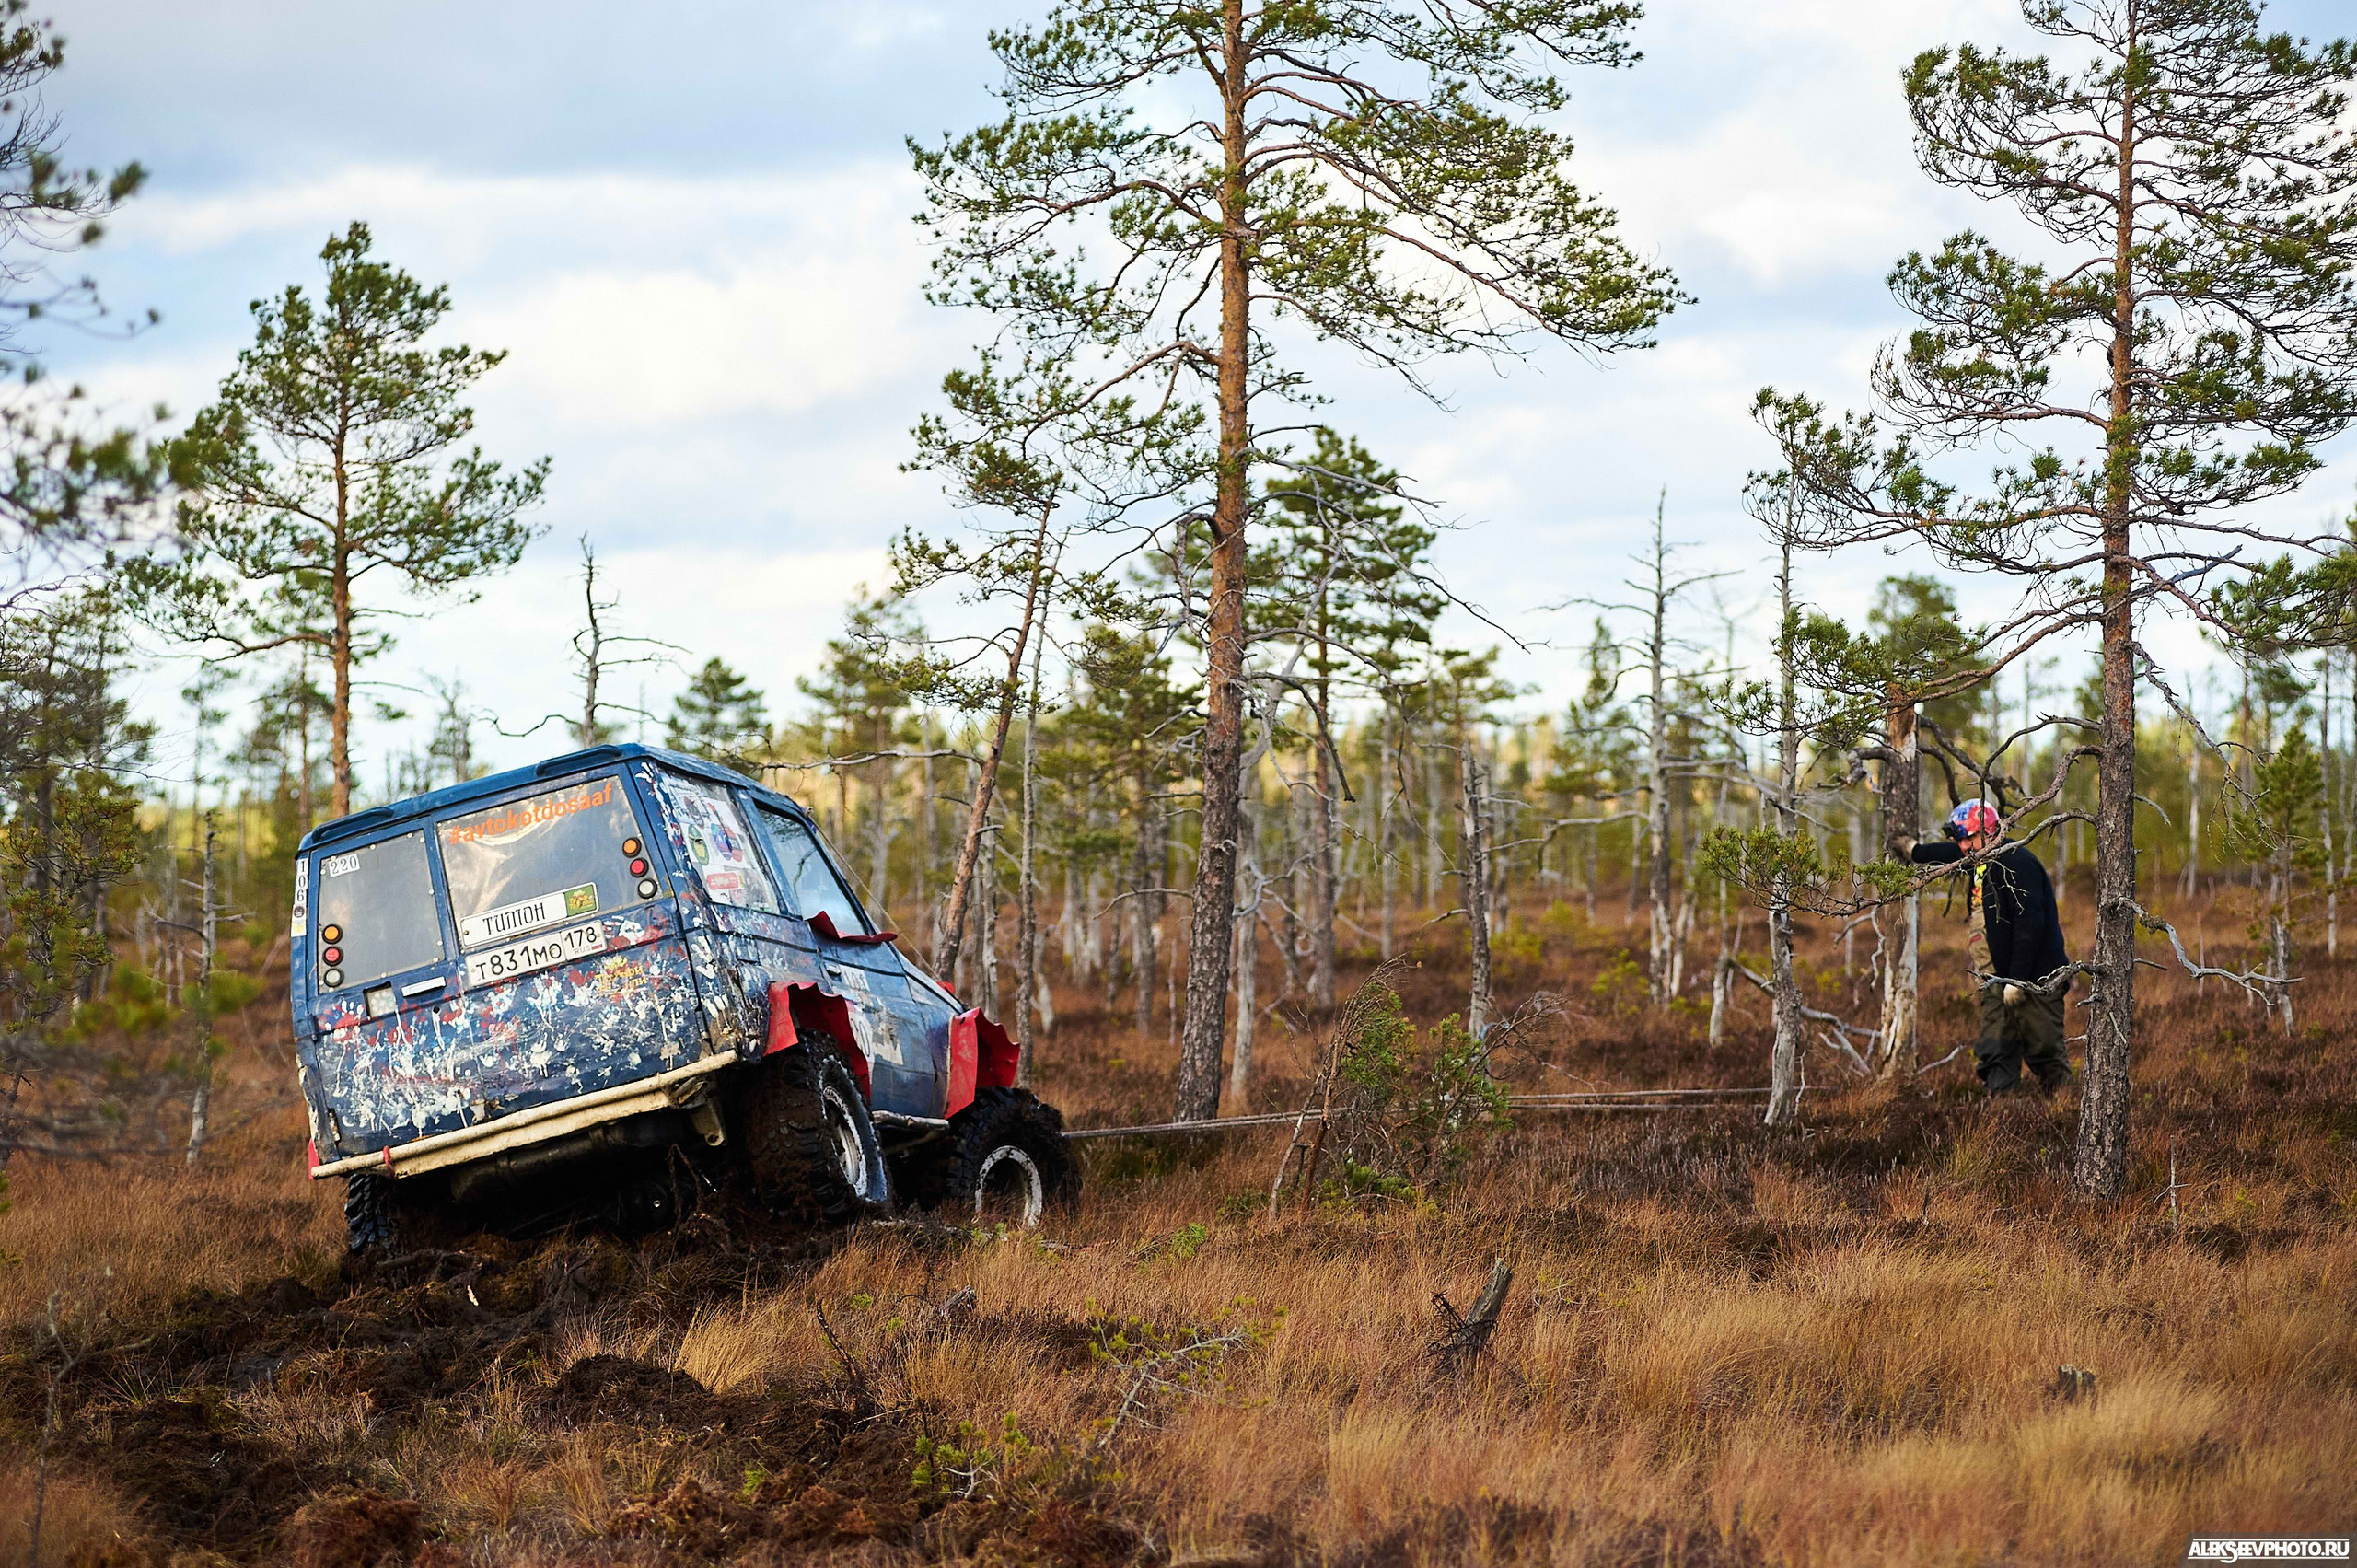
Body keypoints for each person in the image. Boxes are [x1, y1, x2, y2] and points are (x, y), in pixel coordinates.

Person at [1899, 799, 2075, 1097]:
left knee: (2044, 1048)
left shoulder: (2017, 862)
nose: (1965, 846)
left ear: (1991, 831)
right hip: (1994, 978)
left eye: (1971, 837)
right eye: (1961, 839)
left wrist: (2016, 980)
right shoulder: (1977, 860)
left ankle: (2065, 1109)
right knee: (1996, 1048)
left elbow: (2030, 924)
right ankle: (2000, 1112)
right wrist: (1915, 851)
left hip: (2036, 978)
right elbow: (1950, 853)